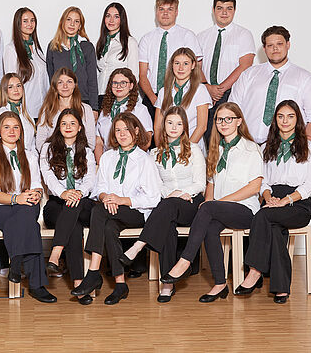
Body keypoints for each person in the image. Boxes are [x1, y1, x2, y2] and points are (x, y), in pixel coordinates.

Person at [162, 102, 263, 303]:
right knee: (208, 227)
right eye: (219, 119)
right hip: (219, 209)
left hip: (245, 210)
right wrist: (209, 202)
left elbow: (255, 187)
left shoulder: (251, 149)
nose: (223, 123)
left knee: (207, 209)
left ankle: (185, 260)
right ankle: (220, 284)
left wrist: (215, 203)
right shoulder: (216, 149)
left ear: (239, 121)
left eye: (228, 119)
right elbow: (211, 183)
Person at [72, 113, 161, 305]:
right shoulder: (107, 157)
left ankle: (93, 272)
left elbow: (153, 198)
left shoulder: (145, 160)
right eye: (118, 130)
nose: (122, 134)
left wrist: (121, 200)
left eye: (126, 129)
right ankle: (120, 284)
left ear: (136, 131)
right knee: (108, 227)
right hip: (110, 210)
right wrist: (106, 198)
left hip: (137, 211)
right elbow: (99, 189)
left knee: (98, 212)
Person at [119, 106, 206, 303]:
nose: (174, 127)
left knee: (167, 207)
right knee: (167, 226)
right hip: (168, 205)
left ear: (184, 127)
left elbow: (200, 183)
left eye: (179, 124)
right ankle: (167, 284)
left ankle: (139, 245)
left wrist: (181, 194)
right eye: (170, 123)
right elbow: (156, 185)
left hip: (192, 202)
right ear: (163, 125)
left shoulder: (194, 149)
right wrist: (171, 195)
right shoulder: (154, 153)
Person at [235, 100, 311, 304]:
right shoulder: (265, 148)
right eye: (280, 116)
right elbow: (263, 181)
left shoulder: (310, 147)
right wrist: (268, 197)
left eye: (290, 116)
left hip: (298, 203)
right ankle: (281, 289)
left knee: (263, 216)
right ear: (275, 120)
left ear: (298, 119)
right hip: (272, 199)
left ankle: (254, 271)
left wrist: (285, 201)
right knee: (273, 228)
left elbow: (308, 187)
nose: (285, 120)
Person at [0, 112, 57, 303]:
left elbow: (37, 184)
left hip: (24, 207)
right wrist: (17, 198)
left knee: (27, 212)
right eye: (6, 127)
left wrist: (36, 194)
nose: (11, 131)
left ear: (21, 131)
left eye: (16, 127)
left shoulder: (30, 155)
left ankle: (15, 263)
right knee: (30, 224)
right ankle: (36, 285)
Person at [229, 25, 311, 143]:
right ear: (264, 48)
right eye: (270, 45)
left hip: (285, 147)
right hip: (247, 144)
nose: (275, 48)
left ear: (288, 45)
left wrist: (303, 148)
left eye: (279, 44)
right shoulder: (248, 74)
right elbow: (232, 109)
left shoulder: (305, 78)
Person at [40, 108, 96, 304]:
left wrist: (78, 192)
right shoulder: (48, 149)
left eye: (73, 123)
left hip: (82, 201)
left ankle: (55, 254)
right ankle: (79, 285)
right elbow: (48, 176)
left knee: (74, 206)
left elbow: (90, 180)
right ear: (58, 127)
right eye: (64, 123)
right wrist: (63, 193)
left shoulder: (87, 152)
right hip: (56, 204)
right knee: (74, 225)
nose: (68, 127)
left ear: (80, 127)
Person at [197, 0, 255, 145]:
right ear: (213, 10)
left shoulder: (244, 35)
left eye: (229, 8)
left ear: (235, 10)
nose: (224, 12)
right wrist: (208, 87)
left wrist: (220, 89)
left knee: (229, 137)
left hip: (231, 93)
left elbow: (245, 64)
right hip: (207, 92)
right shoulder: (202, 36)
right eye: (220, 8)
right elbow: (196, 66)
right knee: (209, 138)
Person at [138, 0, 202, 120]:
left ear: (176, 12)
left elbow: (196, 69)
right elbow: (142, 75)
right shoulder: (146, 39)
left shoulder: (188, 36)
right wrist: (154, 99)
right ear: (156, 12)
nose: (165, 13)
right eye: (161, 9)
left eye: (170, 9)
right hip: (152, 96)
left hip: (180, 95)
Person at [153, 48, 211, 150]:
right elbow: (157, 127)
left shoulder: (200, 90)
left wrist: (184, 151)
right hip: (167, 149)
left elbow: (201, 127)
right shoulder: (164, 91)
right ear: (172, 65)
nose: (181, 68)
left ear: (193, 65)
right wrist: (160, 150)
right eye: (177, 63)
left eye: (185, 64)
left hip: (192, 148)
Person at [47, 6, 98, 112]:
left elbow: (92, 79)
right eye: (69, 19)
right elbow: (51, 78)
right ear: (62, 22)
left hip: (83, 101)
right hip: (60, 102)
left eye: (76, 21)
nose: (72, 24)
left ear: (80, 25)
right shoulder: (53, 47)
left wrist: (94, 108)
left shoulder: (87, 47)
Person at [95, 67, 152, 162]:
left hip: (133, 161)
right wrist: (101, 163)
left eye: (123, 83)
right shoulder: (104, 111)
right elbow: (99, 142)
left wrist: (130, 161)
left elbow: (147, 141)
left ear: (131, 86)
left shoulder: (140, 110)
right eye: (115, 83)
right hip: (108, 160)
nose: (118, 86)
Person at [2, 7, 48, 120]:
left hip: (43, 111)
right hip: (26, 112)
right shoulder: (11, 50)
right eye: (25, 21)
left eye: (32, 20)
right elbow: (11, 83)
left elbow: (45, 81)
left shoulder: (37, 49)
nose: (30, 24)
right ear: (18, 24)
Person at [36, 67, 96, 151]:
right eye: (60, 82)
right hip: (52, 155)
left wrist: (75, 154)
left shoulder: (86, 109)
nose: (65, 86)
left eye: (69, 81)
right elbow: (40, 140)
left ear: (75, 85)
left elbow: (91, 141)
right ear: (55, 86)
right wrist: (52, 154)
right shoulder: (47, 109)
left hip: (79, 155)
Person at [95, 2, 139, 109]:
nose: (111, 20)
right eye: (108, 16)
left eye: (116, 17)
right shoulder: (101, 43)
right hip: (100, 95)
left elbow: (134, 76)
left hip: (118, 96)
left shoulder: (130, 42)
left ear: (122, 20)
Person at [0, 73, 36, 151]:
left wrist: (32, 157)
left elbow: (32, 145)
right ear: (4, 90)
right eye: (10, 87)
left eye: (18, 86)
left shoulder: (27, 115)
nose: (16, 90)